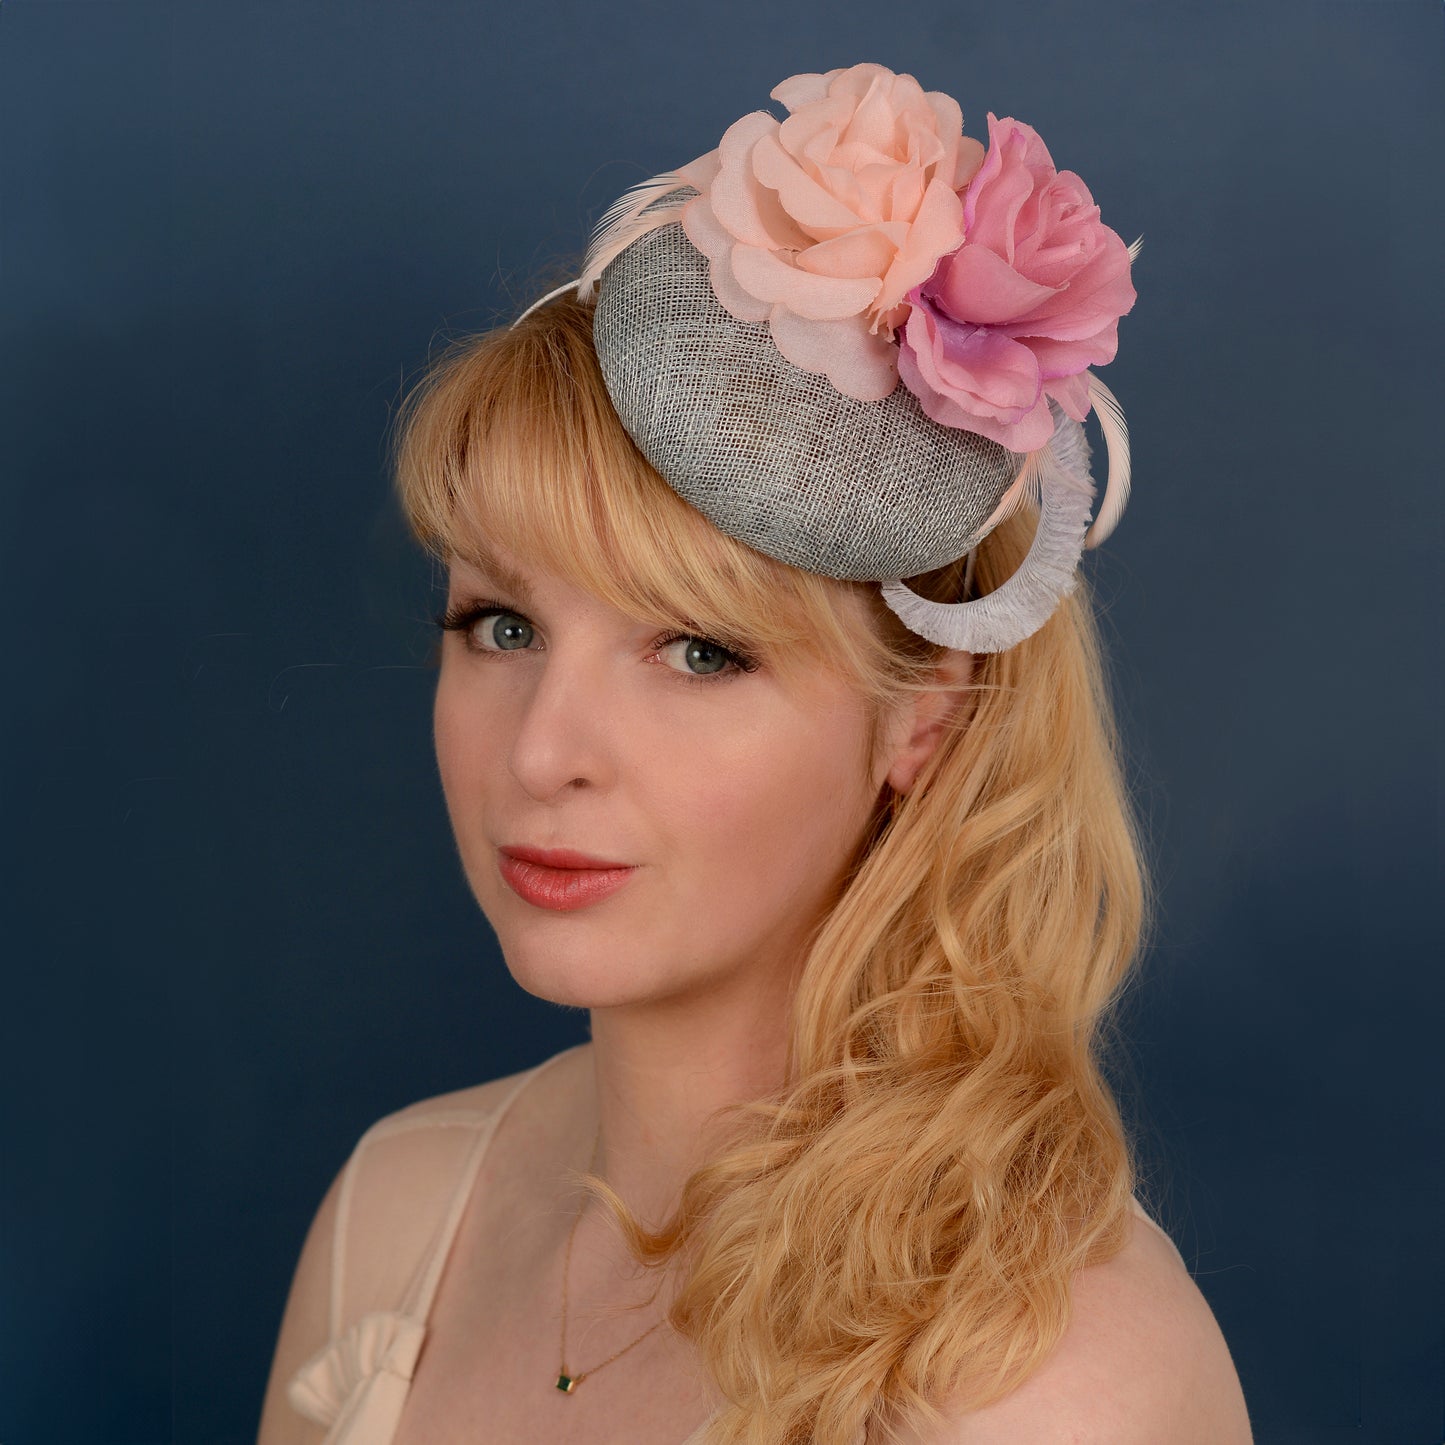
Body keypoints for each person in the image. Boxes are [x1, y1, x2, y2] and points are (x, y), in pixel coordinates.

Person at [256, 63, 1252, 1445]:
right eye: (499, 623)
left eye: (699, 652)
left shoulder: (1058, 1380)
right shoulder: (401, 1209)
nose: (544, 751)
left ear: (927, 710)